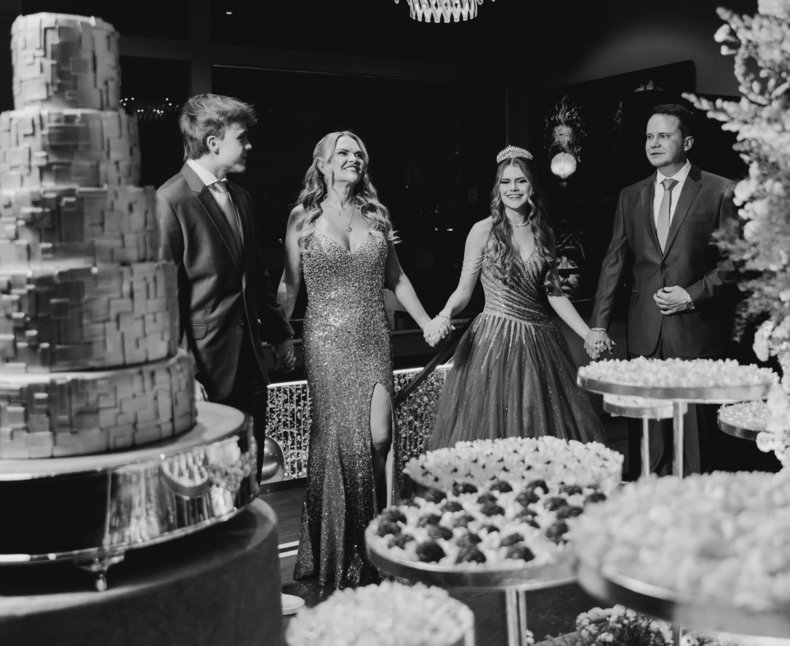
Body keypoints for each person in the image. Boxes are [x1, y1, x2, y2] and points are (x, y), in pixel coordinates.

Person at [278, 130, 438, 589]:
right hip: (326, 341)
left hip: (373, 338)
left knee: (381, 438)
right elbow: (289, 284)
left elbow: (396, 278)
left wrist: (426, 322)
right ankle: (341, 550)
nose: (354, 159)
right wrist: (279, 335)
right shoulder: (303, 218)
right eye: (343, 153)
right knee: (341, 443)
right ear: (323, 164)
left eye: (359, 153)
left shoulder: (375, 216)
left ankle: (384, 538)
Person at [585, 103, 737, 476]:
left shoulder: (720, 190)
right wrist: (599, 324)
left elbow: (736, 262)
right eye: (649, 136)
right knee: (648, 437)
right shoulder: (631, 195)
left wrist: (692, 294)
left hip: (697, 330)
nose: (653, 143)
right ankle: (651, 500)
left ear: (687, 142)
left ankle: (696, 501)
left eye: (664, 135)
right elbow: (614, 261)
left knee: (695, 440)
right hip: (645, 329)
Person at [425, 146, 605, 449]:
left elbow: (554, 293)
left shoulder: (544, 232)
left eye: (520, 181)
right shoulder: (482, 231)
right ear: (497, 188)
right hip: (495, 341)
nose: (513, 188)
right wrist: (444, 314)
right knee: (494, 428)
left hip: (540, 342)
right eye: (505, 182)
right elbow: (464, 291)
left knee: (543, 426)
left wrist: (587, 333)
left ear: (532, 186)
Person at [157, 94, 292, 478]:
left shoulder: (242, 199)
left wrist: (280, 334)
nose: (249, 146)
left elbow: (257, 275)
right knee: (211, 480)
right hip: (204, 370)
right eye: (242, 137)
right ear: (213, 142)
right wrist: (184, 373)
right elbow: (164, 301)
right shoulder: (169, 201)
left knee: (248, 475)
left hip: (251, 364)